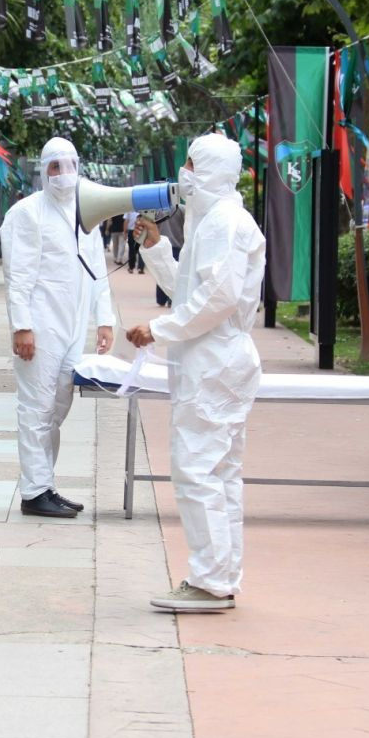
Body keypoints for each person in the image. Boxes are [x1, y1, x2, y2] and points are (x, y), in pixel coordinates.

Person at [127, 134, 265, 612]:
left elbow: (217, 299)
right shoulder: (214, 221)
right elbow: (191, 289)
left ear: (206, 170)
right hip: (214, 359)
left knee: (197, 470)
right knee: (219, 472)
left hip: (216, 360)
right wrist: (157, 248)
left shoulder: (224, 223)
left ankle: (209, 580)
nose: (183, 174)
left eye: (189, 163)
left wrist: (159, 328)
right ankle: (219, 576)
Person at [1, 137, 115, 519]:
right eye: (55, 166)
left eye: (70, 165)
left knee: (58, 405)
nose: (64, 175)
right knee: (36, 406)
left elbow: (97, 268)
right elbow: (17, 274)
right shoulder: (26, 213)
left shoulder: (88, 213)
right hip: (40, 325)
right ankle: (34, 491)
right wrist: (22, 326)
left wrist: (105, 319)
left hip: (73, 325)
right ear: (43, 170)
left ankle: (46, 483)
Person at [155, 205, 185, 306]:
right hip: (176, 244)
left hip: (161, 244)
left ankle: (160, 299)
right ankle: (172, 298)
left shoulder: (159, 209)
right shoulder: (181, 209)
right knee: (174, 271)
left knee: (161, 271)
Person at [125, 210, 146, 274]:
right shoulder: (144, 209)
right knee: (140, 249)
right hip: (140, 231)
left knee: (132, 250)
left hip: (133, 231)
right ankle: (140, 268)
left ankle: (132, 267)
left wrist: (125, 232)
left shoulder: (129, 209)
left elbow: (126, 221)